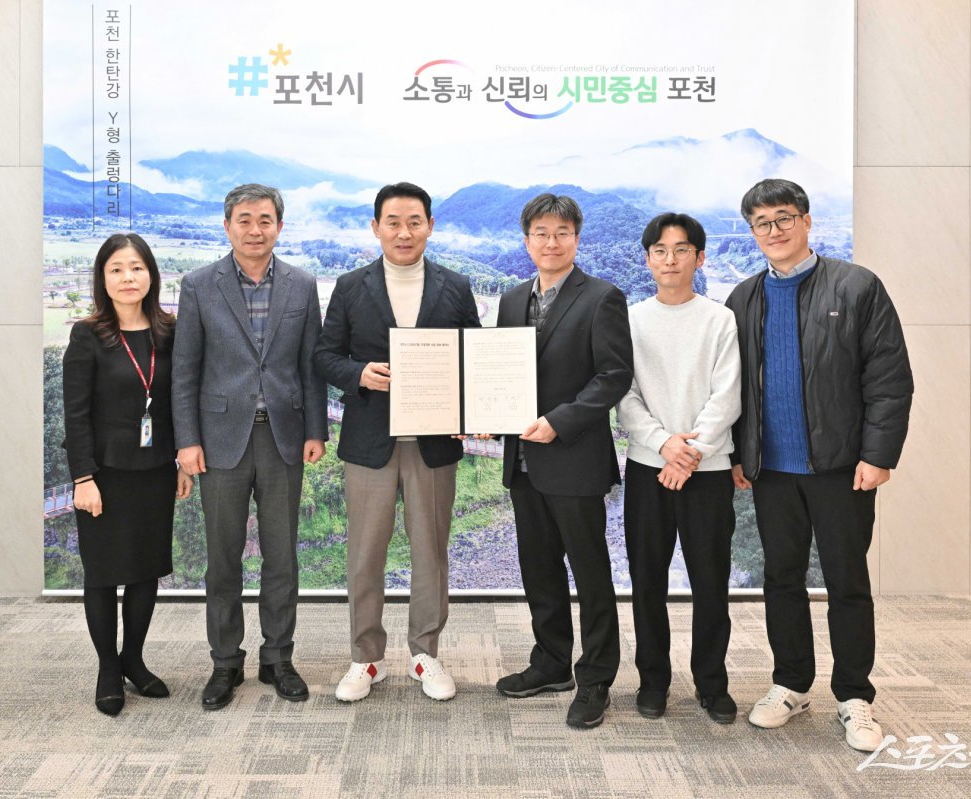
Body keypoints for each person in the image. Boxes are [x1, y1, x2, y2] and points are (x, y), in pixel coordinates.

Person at [725, 178, 913, 752]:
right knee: (781, 579)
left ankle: (855, 696)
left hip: (840, 467)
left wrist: (878, 455)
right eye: (762, 223)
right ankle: (791, 683)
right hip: (771, 470)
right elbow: (731, 388)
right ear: (752, 232)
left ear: (806, 221)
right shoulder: (743, 298)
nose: (774, 230)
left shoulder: (856, 286)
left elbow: (888, 378)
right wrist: (738, 454)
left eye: (784, 217)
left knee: (846, 581)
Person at [314, 182, 480, 702]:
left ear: (430, 226)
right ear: (376, 227)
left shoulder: (455, 286)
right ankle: (365, 658)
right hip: (370, 443)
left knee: (431, 552)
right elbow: (324, 356)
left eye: (414, 221)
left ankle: (425, 653)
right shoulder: (350, 286)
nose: (404, 232)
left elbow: (473, 357)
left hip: (433, 444)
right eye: (393, 222)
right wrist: (359, 374)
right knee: (365, 554)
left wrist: (470, 411)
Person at [172, 184, 328, 710]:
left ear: (279, 226)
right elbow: (185, 371)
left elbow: (310, 365)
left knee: (282, 556)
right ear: (227, 226)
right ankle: (225, 662)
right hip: (220, 441)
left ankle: (278, 658)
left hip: (284, 437)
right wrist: (187, 441)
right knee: (223, 558)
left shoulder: (302, 285)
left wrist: (316, 430)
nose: (255, 229)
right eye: (244, 219)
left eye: (265, 220)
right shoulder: (199, 285)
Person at [494, 193, 633, 729]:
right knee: (539, 568)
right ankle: (551, 663)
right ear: (526, 239)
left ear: (576, 237)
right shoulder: (511, 300)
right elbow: (501, 375)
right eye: (541, 233)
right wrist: (485, 413)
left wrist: (559, 420)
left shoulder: (602, 297)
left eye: (562, 233)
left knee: (590, 572)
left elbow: (613, 376)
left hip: (574, 457)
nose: (551, 243)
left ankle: (596, 677)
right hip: (523, 461)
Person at [617, 213, 742, 722]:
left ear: (700, 257)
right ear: (648, 259)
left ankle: (712, 683)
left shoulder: (719, 319)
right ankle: (653, 682)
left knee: (711, 582)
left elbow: (727, 395)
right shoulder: (630, 319)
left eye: (682, 250)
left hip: (707, 472)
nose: (670, 260)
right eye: (660, 251)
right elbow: (623, 395)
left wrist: (689, 454)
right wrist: (664, 444)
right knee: (647, 581)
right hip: (648, 467)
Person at [63, 232, 194, 716]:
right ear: (103, 278)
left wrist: (180, 461)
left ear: (151, 275)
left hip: (155, 470)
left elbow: (179, 401)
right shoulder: (88, 335)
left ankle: (133, 660)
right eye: (116, 269)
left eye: (136, 268)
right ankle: (107, 668)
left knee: (145, 570)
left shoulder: (169, 332)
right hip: (104, 475)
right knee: (102, 574)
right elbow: (75, 415)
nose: (127, 278)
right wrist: (82, 478)